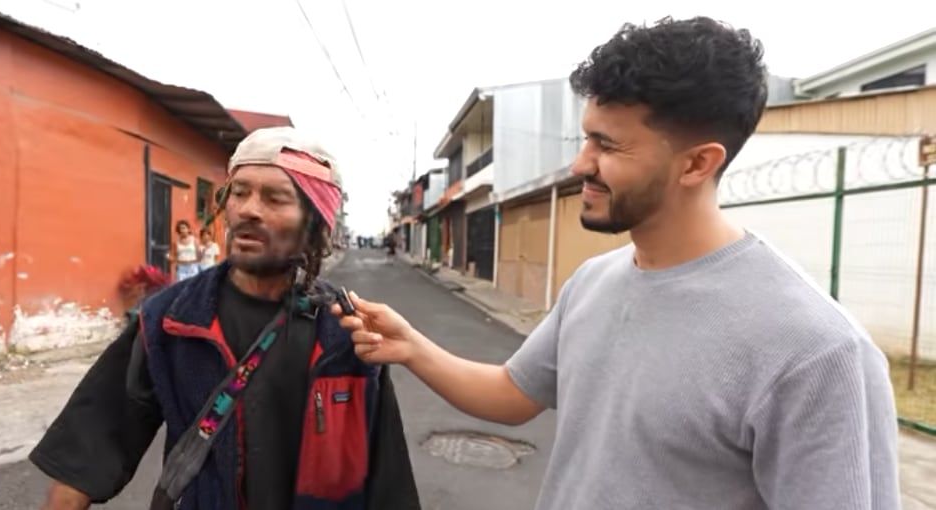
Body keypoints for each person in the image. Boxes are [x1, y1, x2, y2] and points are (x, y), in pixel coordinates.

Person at [334, 17, 899, 510]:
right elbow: (512, 394)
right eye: (584, 139)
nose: (581, 163)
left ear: (697, 164)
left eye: (609, 145)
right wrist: (411, 347)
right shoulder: (594, 282)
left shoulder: (818, 353)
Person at [30, 126, 420, 510]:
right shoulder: (170, 319)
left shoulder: (347, 331)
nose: (248, 209)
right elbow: (89, 447)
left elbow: (389, 477)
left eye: (275, 198)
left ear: (314, 223)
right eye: (239, 192)